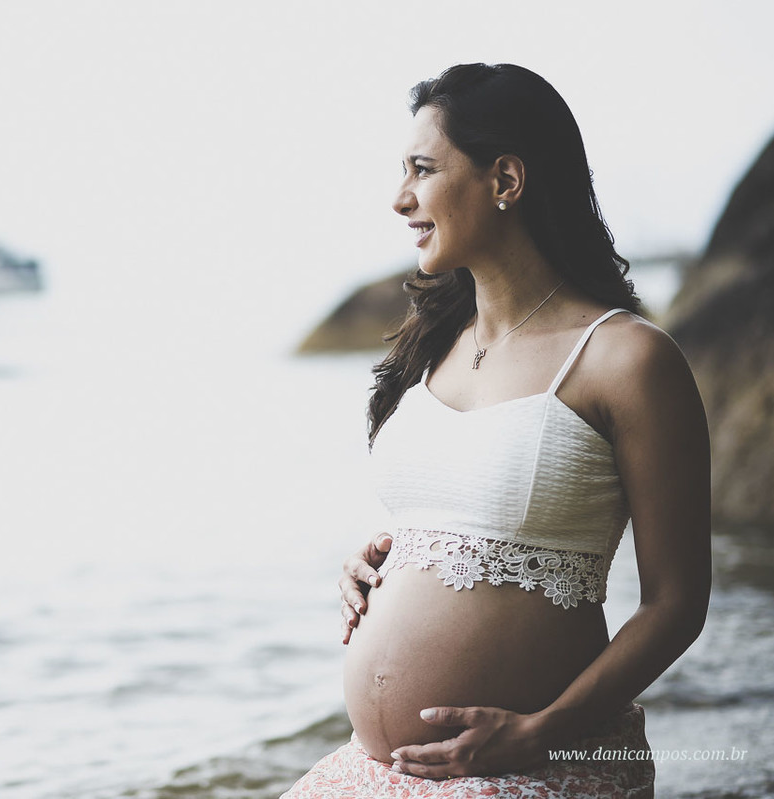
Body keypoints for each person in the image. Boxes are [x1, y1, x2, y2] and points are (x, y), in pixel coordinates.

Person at [281, 63, 710, 798]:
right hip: (373, 766)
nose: (399, 198)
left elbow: (677, 603)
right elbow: (464, 518)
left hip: (536, 761)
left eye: (422, 169)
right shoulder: (432, 346)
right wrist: (382, 561)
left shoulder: (627, 358)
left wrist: (541, 729)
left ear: (505, 179)